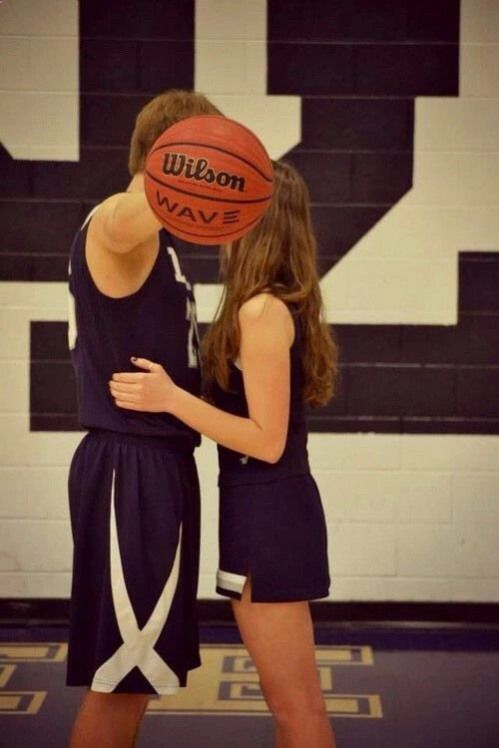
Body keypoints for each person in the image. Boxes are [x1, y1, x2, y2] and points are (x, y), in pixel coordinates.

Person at [109, 160, 339, 748]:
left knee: (297, 711)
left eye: (237, 207)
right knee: (293, 705)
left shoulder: (261, 311)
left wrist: (170, 397)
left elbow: (266, 439)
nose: (222, 218)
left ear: (260, 220)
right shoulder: (269, 303)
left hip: (269, 515)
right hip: (261, 510)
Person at [66, 90, 221, 748]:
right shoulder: (119, 223)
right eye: (209, 161)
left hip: (157, 467)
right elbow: (117, 221)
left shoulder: (166, 250)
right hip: (129, 466)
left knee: (137, 680)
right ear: (177, 156)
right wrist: (192, 174)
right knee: (122, 678)